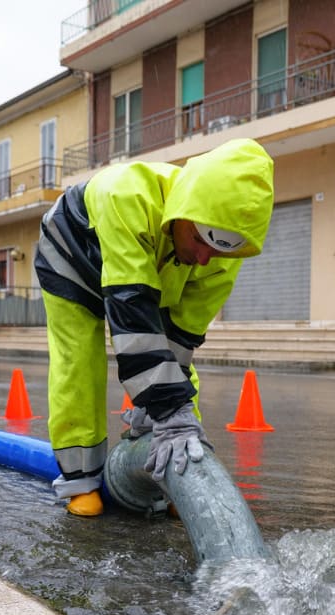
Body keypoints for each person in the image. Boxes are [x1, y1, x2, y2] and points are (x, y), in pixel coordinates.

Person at [34, 137, 275, 516]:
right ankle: (81, 480)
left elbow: (181, 339)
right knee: (79, 362)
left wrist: (165, 416)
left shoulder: (222, 252)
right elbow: (132, 312)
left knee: (173, 377)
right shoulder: (126, 196)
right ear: (183, 213)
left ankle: (175, 470)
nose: (204, 257)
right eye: (198, 238)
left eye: (218, 250)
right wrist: (167, 410)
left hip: (155, 267)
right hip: (72, 254)